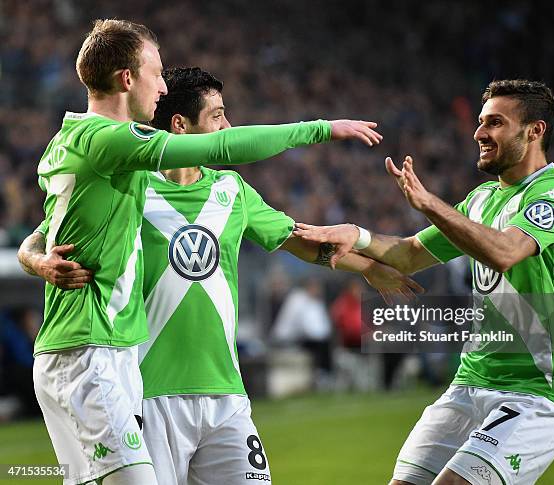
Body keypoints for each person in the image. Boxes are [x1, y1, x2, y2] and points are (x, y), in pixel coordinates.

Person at [17, 18, 384, 485]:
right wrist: (320, 128)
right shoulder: (112, 145)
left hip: (144, 366)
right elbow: (223, 144)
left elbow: (46, 232)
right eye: (156, 71)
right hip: (98, 355)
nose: (162, 84)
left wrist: (372, 260)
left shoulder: (91, 151)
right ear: (127, 79)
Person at [294, 80, 554, 485]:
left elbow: (504, 252)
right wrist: (357, 236)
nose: (479, 133)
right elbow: (408, 254)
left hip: (537, 392)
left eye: (495, 123)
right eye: (481, 122)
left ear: (534, 131)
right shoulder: (482, 199)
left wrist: (429, 202)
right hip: (470, 383)